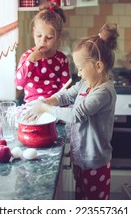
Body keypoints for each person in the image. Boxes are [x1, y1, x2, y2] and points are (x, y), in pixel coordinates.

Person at [24, 23, 119, 200]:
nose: (79, 74)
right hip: (82, 158)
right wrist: (46, 100)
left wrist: (46, 108)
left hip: (95, 162)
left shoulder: (103, 92)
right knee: (81, 200)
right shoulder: (86, 84)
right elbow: (67, 95)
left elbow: (76, 115)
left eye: (81, 69)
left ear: (98, 66)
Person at [15, 2, 70, 103]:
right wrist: (30, 61)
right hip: (33, 109)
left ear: (58, 36)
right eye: (39, 36)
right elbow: (19, 85)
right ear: (33, 32)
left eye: (49, 37)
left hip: (53, 108)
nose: (43, 41)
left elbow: (65, 88)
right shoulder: (27, 57)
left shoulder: (61, 59)